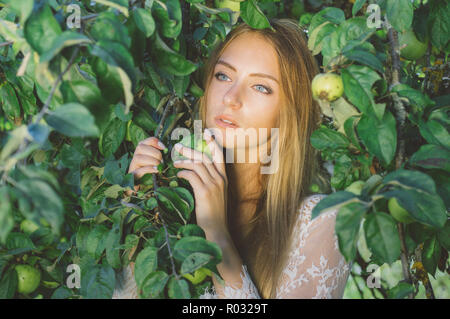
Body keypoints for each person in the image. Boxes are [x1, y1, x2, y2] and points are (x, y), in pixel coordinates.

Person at [114, 18, 351, 299]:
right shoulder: (171, 204)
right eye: (223, 76)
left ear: (290, 112)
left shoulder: (321, 220)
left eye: (261, 87)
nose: (231, 98)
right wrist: (135, 210)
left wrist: (215, 232)